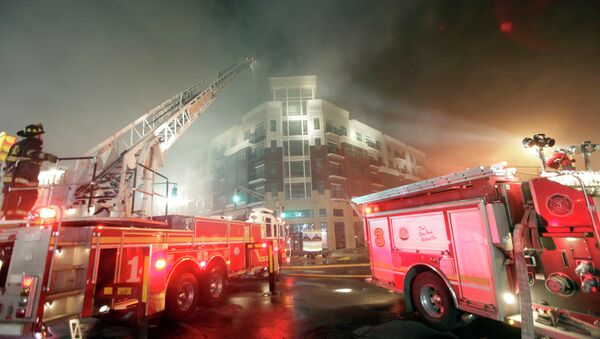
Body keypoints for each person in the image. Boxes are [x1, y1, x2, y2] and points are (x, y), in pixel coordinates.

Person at [1, 124, 57, 220]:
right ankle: (17, 218)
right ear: (36, 135)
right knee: (30, 196)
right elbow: (32, 153)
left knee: (12, 200)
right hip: (22, 177)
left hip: (14, 178)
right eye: (40, 134)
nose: (41, 137)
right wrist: (47, 156)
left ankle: (11, 219)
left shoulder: (19, 144)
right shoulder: (32, 143)